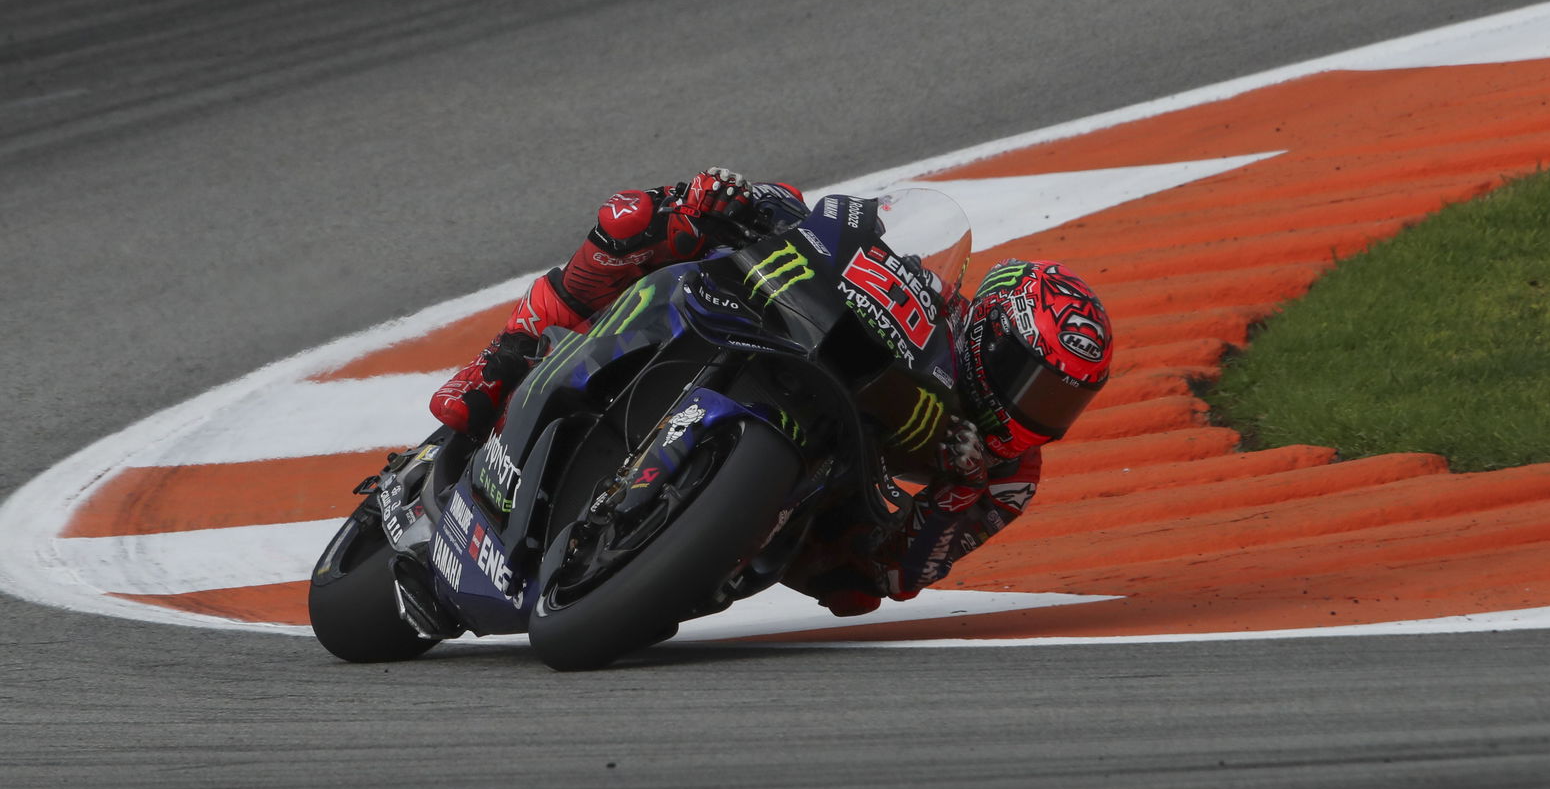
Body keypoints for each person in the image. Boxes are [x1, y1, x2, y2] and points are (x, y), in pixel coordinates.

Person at [429, 168, 1113, 616]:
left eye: (1060, 402)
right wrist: (747, 201)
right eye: (1031, 381)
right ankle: (501, 360)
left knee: (854, 592)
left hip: (832, 496)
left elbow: (901, 575)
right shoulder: (930, 296)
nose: (1035, 410)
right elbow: (844, 237)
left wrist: (958, 491)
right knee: (650, 217)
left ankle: (674, 555)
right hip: (783, 337)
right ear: (990, 331)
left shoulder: (1009, 474)